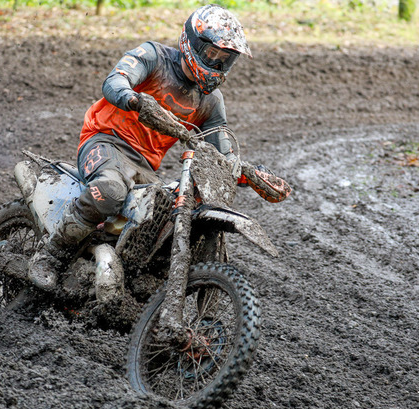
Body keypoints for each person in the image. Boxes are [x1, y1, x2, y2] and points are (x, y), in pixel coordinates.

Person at [29, 4, 287, 290]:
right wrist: (134, 99)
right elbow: (115, 81)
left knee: (161, 219)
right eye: (212, 54)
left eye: (224, 59)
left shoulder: (211, 102)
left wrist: (250, 175)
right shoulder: (153, 56)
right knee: (111, 191)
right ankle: (50, 255)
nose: (216, 64)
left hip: (144, 166)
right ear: (192, 42)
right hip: (105, 140)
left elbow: (222, 156)